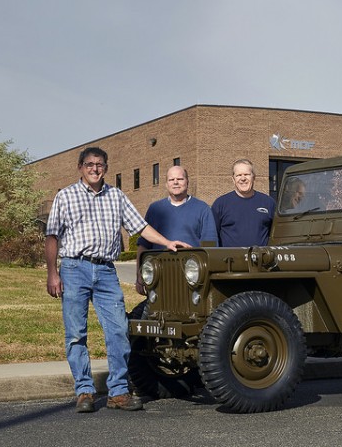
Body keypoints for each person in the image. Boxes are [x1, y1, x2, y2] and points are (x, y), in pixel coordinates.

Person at [45, 147, 190, 413]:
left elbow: (140, 226)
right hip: (74, 269)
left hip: (106, 272)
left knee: (119, 330)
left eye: (99, 164)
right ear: (80, 167)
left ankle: (118, 392)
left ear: (106, 168)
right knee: (76, 334)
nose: (94, 169)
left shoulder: (117, 196)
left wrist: (167, 242)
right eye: (89, 164)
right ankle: (85, 391)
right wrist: (52, 273)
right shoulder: (65, 197)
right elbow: (52, 236)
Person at [135, 166, 218, 294]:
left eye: (180, 179)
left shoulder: (202, 209)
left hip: (192, 277)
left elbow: (210, 248)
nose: (175, 182)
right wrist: (139, 276)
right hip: (159, 276)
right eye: (171, 179)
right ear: (166, 184)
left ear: (187, 182)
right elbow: (143, 247)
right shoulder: (155, 209)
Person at [212, 159, 276, 247]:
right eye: (238, 175)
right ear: (233, 179)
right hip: (230, 259)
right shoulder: (220, 204)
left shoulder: (268, 203)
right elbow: (212, 236)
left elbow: (275, 235)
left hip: (261, 259)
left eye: (246, 174)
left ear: (254, 177)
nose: (243, 178)